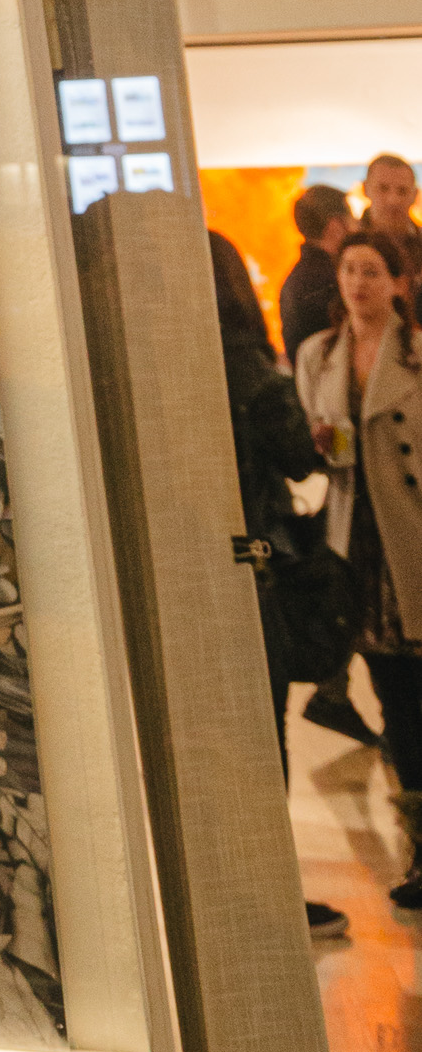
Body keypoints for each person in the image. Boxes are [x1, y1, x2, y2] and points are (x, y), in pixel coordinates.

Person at [209, 231, 351, 941]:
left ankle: (214, 894)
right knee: (261, 738)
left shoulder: (149, 362)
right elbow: (298, 457)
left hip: (186, 570)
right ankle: (266, 899)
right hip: (250, 566)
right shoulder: (244, 365)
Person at [296, 227, 422, 914]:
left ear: (398, 283)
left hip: (414, 539)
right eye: (348, 271)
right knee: (395, 705)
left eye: (371, 272)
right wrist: (320, 446)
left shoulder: (416, 350)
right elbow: (319, 446)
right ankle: (419, 850)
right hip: (359, 549)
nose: (357, 284)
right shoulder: (319, 354)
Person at [280, 186, 378, 746]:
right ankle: (335, 690)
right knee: (359, 588)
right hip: (350, 463)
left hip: (345, 461)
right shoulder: (317, 294)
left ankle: (336, 689)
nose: (358, 284)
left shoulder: (300, 281)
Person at [280, 184, 353, 365]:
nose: (356, 225)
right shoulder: (335, 280)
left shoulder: (293, 280)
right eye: (350, 217)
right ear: (335, 225)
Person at [359, 155, 422, 300]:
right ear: (365, 189)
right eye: (383, 189)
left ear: (415, 195)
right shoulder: (347, 244)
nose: (393, 200)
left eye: (402, 191)